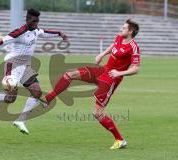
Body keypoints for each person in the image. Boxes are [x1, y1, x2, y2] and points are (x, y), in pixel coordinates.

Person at [40, 19, 140, 149]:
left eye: (124, 28)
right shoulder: (119, 38)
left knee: (97, 113)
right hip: (103, 70)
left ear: (131, 31)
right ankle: (48, 99)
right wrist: (102, 54)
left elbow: (136, 68)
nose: (121, 29)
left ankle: (120, 139)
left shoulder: (133, 47)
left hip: (111, 78)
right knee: (70, 74)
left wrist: (119, 73)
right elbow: (113, 46)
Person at [0, 8, 67, 134]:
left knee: (37, 92)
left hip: (25, 67)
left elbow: (45, 31)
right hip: (12, 66)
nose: (37, 24)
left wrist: (60, 33)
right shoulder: (18, 33)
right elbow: (0, 42)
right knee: (10, 99)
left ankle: (21, 120)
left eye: (38, 21)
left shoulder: (36, 31)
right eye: (34, 21)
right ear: (28, 20)